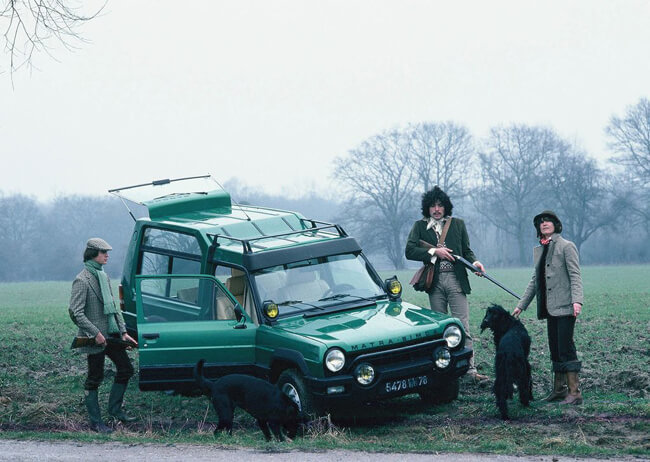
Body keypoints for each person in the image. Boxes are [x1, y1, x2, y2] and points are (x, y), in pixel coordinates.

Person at [405, 186, 488, 382]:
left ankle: (469, 370)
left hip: (456, 279)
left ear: (446, 207)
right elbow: (409, 251)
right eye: (433, 205)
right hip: (434, 282)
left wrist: (475, 263)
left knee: (463, 326)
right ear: (428, 208)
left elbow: (466, 252)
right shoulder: (419, 226)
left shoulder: (457, 224)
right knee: (440, 330)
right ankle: (446, 371)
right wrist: (435, 252)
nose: (436, 209)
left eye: (440, 205)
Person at [513, 211, 584, 405]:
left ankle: (574, 392)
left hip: (566, 306)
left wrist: (577, 301)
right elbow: (535, 280)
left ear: (556, 224)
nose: (544, 224)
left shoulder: (566, 246)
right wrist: (521, 305)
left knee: (566, 348)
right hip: (549, 308)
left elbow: (575, 275)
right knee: (554, 348)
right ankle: (559, 390)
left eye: (548, 221)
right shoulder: (540, 249)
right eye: (541, 222)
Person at [69, 238, 138, 433]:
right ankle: (96, 422)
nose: (107, 255)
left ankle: (115, 411)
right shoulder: (82, 280)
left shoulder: (103, 276)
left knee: (126, 369)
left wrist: (123, 332)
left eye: (107, 252)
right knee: (94, 378)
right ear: (92, 254)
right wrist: (96, 333)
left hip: (113, 334)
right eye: (103, 252)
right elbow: (76, 312)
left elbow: (114, 308)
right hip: (95, 338)